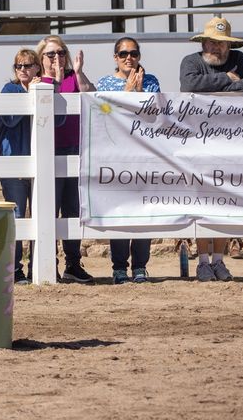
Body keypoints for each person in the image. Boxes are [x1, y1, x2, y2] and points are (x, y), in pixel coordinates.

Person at [179, 16, 243, 282]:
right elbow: (189, 84)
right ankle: (203, 261)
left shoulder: (240, 59)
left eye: (221, 43)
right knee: (204, 200)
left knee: (226, 201)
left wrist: (224, 83)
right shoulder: (191, 61)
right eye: (211, 42)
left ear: (229, 46)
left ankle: (219, 260)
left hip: (232, 144)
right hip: (199, 143)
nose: (215, 47)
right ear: (203, 43)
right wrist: (227, 79)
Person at [94, 36, 161, 284]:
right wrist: (127, 93)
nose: (129, 58)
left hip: (143, 154)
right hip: (117, 154)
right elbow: (106, 115)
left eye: (133, 53)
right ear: (115, 57)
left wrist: (140, 92)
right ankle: (119, 267)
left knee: (142, 209)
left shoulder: (151, 81)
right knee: (120, 211)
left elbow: (154, 117)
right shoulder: (105, 82)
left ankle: (141, 266)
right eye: (123, 54)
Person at [35, 34, 96, 284]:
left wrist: (78, 72)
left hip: (74, 149)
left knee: (72, 209)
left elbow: (93, 95)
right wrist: (55, 81)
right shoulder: (39, 80)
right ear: (41, 58)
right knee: (50, 208)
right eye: (50, 54)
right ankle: (50, 264)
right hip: (49, 151)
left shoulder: (73, 77)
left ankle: (73, 263)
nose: (56, 58)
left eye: (60, 53)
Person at [0, 48, 41, 283]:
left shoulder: (45, 87)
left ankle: (39, 266)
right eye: (19, 66)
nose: (23, 70)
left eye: (27, 65)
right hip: (14, 163)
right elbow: (10, 119)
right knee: (15, 217)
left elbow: (60, 120)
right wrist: (30, 92)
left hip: (40, 163)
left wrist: (40, 89)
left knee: (41, 215)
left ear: (37, 67)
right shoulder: (9, 89)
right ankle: (14, 269)